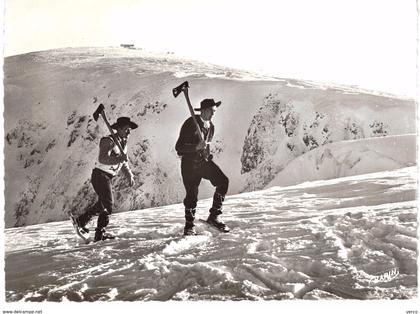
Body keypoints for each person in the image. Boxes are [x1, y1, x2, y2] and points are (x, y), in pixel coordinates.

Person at [72, 116, 137, 242]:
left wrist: (129, 175)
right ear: (118, 129)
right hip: (100, 175)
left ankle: (83, 222)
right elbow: (102, 159)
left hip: (107, 176)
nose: (129, 132)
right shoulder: (108, 141)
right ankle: (98, 232)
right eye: (126, 129)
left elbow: (123, 163)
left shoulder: (123, 143)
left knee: (104, 203)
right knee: (108, 203)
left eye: (130, 129)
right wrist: (119, 159)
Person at [175, 98, 230, 235]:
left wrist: (207, 154)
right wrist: (195, 147)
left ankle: (214, 216)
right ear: (205, 110)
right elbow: (179, 148)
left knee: (223, 181)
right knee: (192, 195)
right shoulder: (191, 123)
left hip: (203, 163)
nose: (214, 114)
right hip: (189, 165)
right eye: (212, 111)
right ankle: (189, 226)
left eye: (214, 111)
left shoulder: (211, 126)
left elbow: (208, 145)